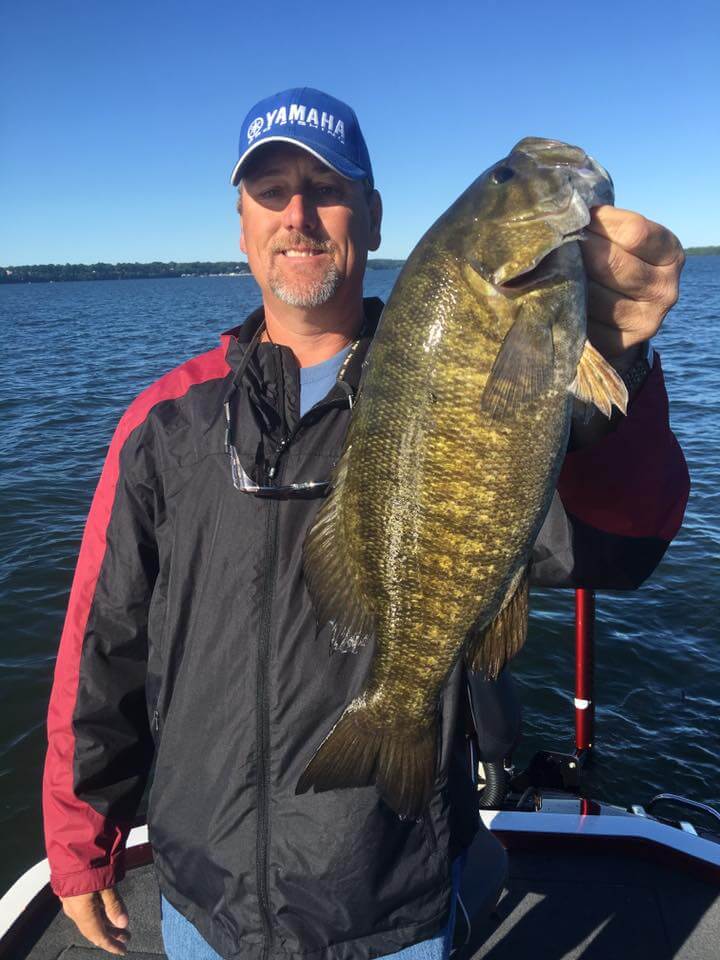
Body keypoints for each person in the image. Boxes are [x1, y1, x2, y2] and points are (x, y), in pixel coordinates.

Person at [43, 87, 689, 959]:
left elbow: (623, 544)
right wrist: (83, 842)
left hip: (392, 894)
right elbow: (104, 640)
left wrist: (624, 368)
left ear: (376, 219)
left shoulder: (475, 376)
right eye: (271, 191)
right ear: (240, 226)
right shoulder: (165, 424)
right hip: (204, 899)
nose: (298, 215)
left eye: (328, 188)